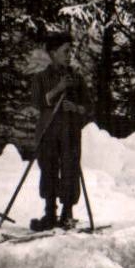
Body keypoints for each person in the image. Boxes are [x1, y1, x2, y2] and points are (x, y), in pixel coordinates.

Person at [29, 30, 88, 231]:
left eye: (71, 51)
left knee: (71, 169)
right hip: (48, 132)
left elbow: (89, 107)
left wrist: (77, 108)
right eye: (65, 51)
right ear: (53, 53)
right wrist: (58, 88)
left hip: (70, 132)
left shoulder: (77, 78)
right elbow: (37, 102)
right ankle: (49, 214)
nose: (69, 55)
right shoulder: (40, 78)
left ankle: (67, 213)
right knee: (49, 169)